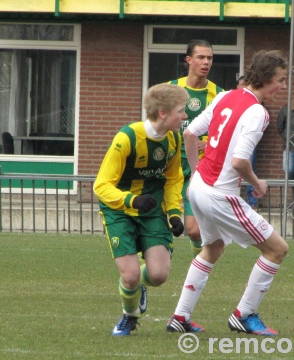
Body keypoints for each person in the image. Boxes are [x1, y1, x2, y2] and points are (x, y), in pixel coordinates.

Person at [166, 50, 289, 336]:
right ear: (267, 78)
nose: (283, 86)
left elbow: (189, 133)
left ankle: (180, 317)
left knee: (213, 247)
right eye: (281, 80)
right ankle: (244, 315)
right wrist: (257, 183)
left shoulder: (224, 96)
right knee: (277, 249)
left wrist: (196, 171)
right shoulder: (258, 112)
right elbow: (239, 161)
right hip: (220, 195)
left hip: (198, 188)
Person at [94, 83, 187, 336]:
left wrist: (175, 213)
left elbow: (173, 179)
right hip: (119, 210)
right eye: (181, 110)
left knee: (157, 276)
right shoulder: (127, 138)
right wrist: (131, 201)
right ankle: (129, 316)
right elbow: (101, 185)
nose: (185, 116)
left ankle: (136, 287)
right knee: (131, 276)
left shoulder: (174, 139)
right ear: (164, 113)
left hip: (151, 210)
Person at [169, 39, 225, 255]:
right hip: (170, 164)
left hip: (198, 167)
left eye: (209, 58)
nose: (206, 62)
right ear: (188, 60)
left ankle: (197, 269)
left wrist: (209, 142)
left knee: (194, 231)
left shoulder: (219, 94)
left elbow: (224, 132)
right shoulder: (171, 89)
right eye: (201, 57)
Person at [238, 75, 259, 211]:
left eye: (246, 84)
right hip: (232, 141)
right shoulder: (232, 101)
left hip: (247, 141)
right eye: (241, 84)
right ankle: (236, 200)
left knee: (248, 168)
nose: (243, 87)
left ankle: (252, 202)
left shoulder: (254, 103)